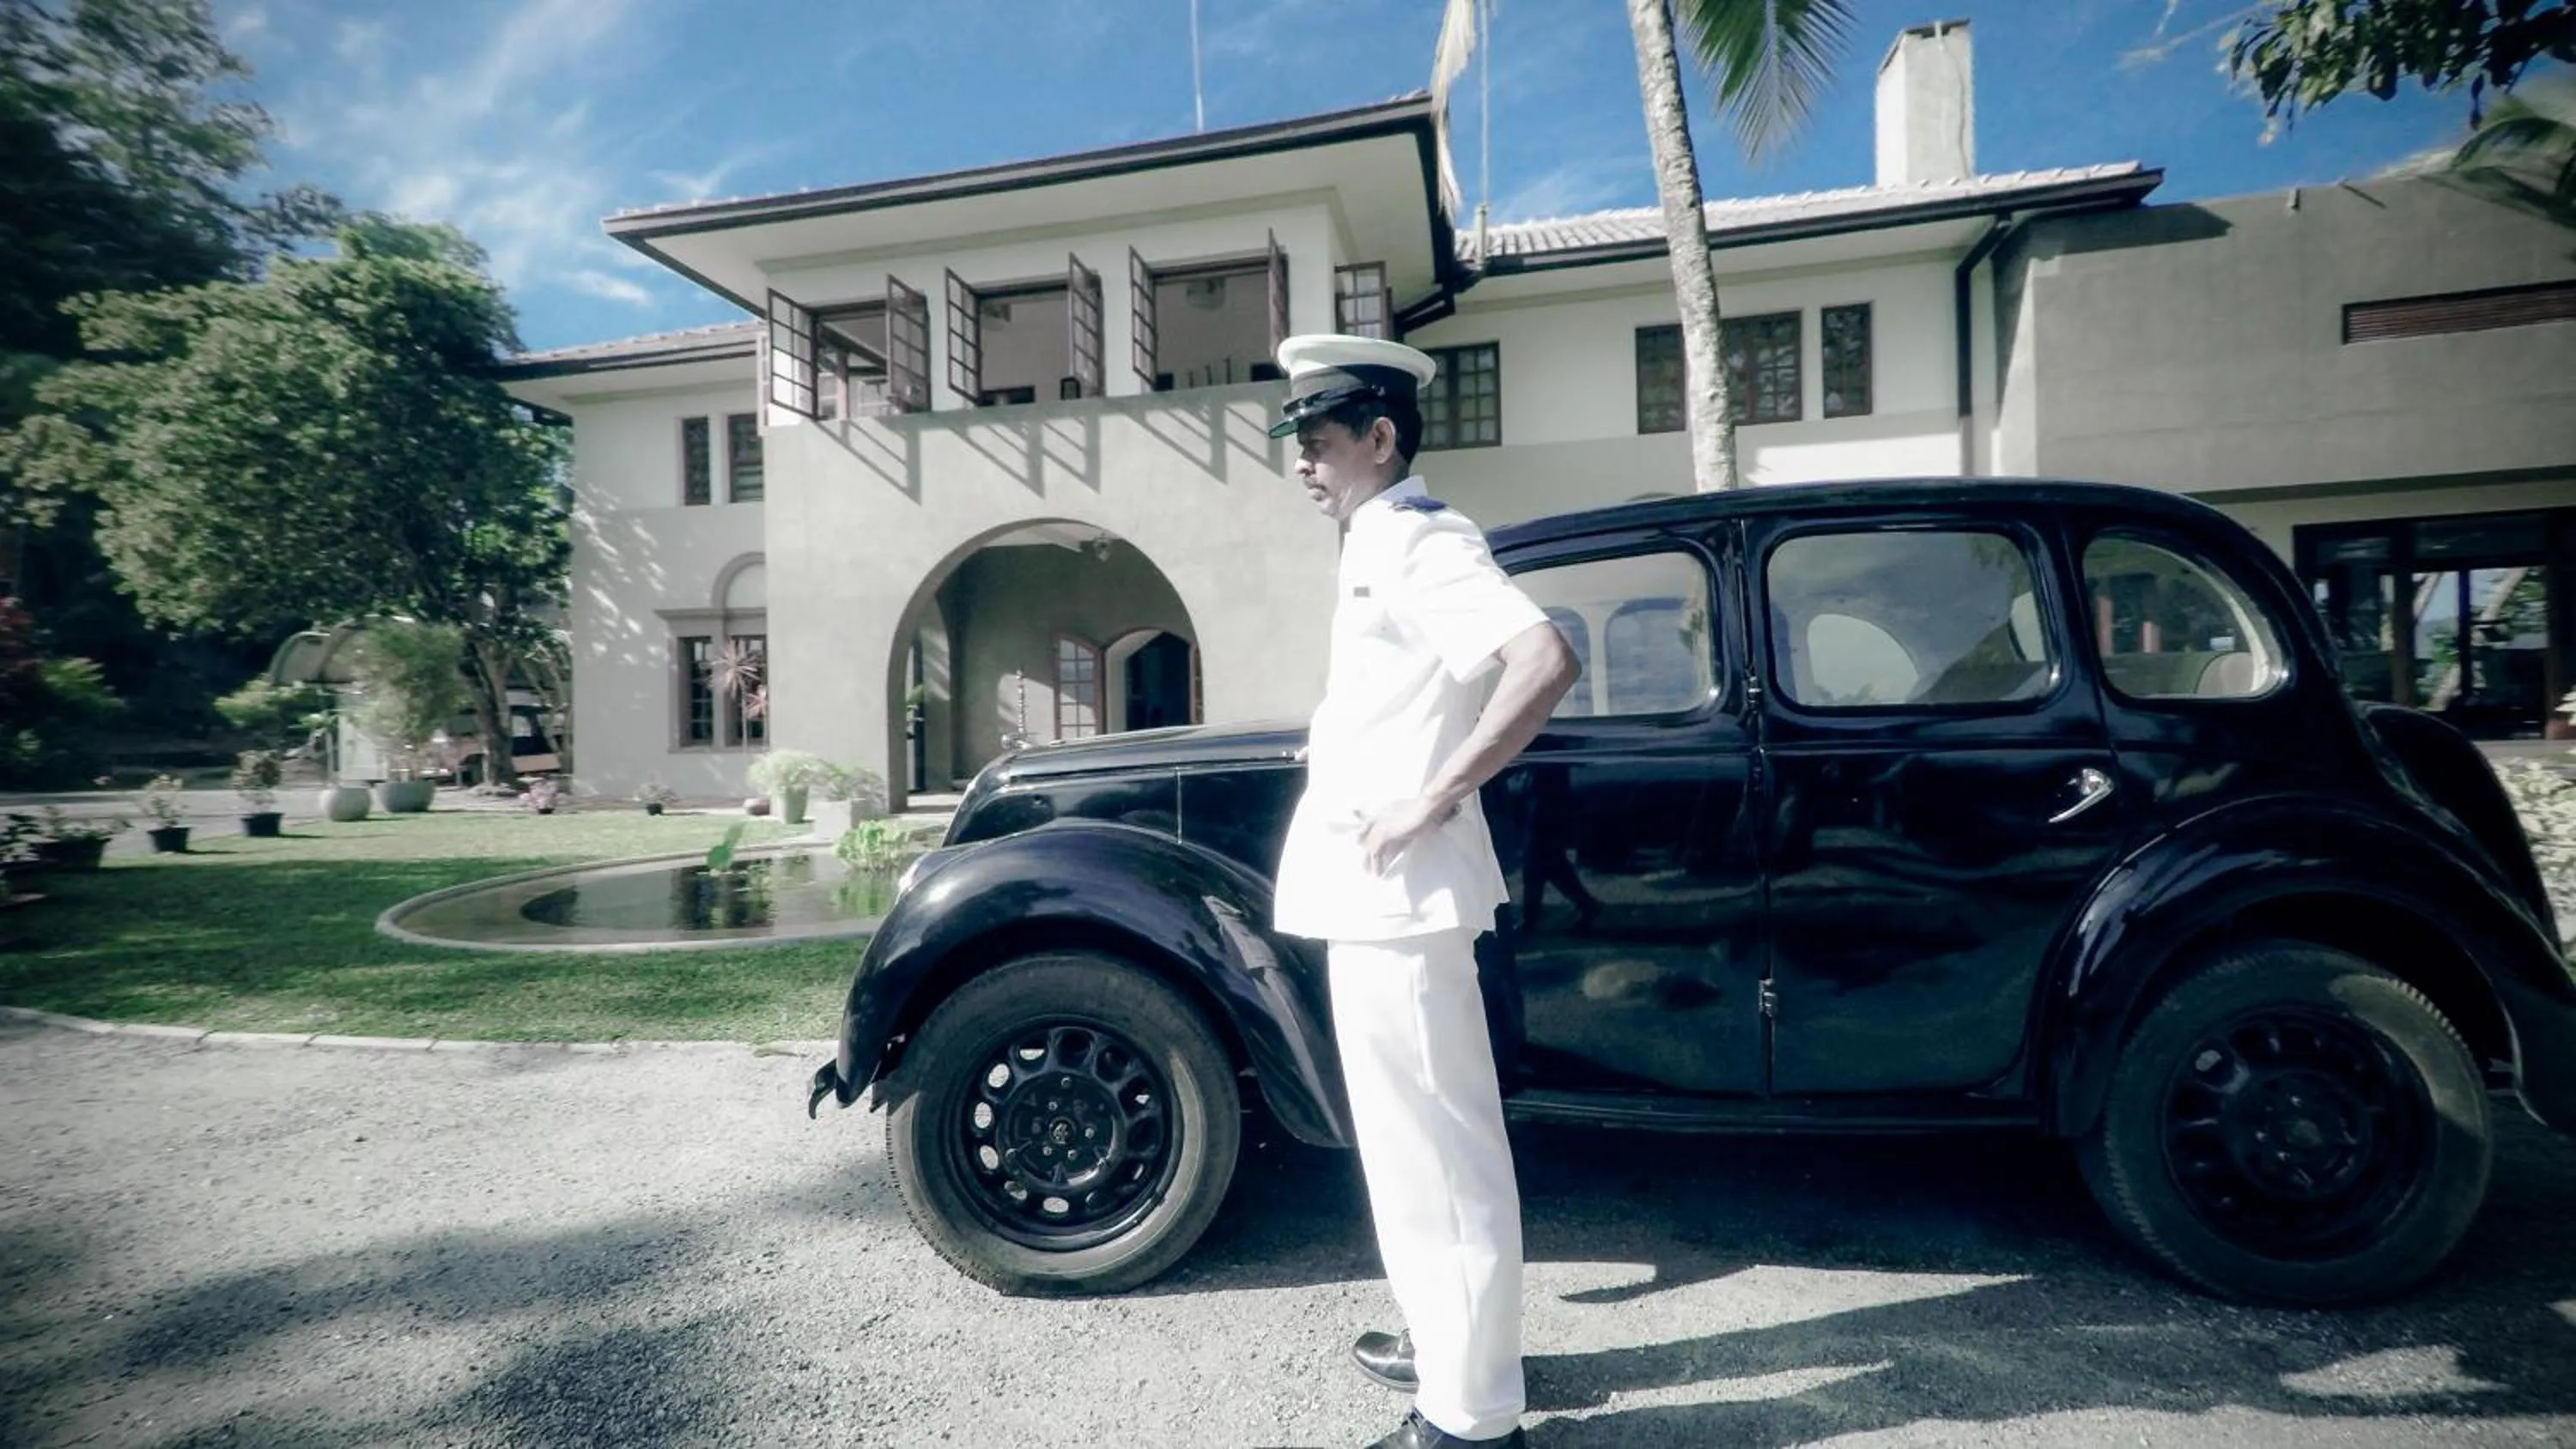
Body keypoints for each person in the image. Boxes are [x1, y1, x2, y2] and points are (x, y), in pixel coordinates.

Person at [1266, 334, 1580, 1449]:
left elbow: (1541, 659)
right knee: (1416, 1157)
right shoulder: (1377, 543)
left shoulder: (1416, 536)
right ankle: (1451, 1344)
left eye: (1319, 435)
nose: (1301, 458)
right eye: (1294, 439)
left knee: (1438, 1160)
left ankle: (1471, 1418)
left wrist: (1434, 796)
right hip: (1380, 901)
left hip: (1402, 903)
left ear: (1382, 436)